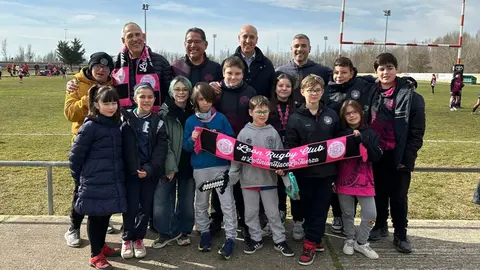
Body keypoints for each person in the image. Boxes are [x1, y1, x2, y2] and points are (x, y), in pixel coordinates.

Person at [367, 53, 425, 254]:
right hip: (377, 154)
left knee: (399, 197)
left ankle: (401, 233)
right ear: (376, 71)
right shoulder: (370, 93)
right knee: (378, 194)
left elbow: (417, 133)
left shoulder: (412, 97)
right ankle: (380, 225)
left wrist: (407, 158)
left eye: (389, 67)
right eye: (381, 68)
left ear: (396, 69)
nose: (385, 72)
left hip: (398, 155)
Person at [69, 85, 127, 269]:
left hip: (111, 180)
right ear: (96, 104)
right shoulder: (91, 126)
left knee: (105, 215)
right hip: (93, 181)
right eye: (106, 103)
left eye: (114, 102)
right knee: (95, 217)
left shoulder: (116, 124)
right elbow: (75, 156)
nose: (111, 107)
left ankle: (101, 246)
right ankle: (95, 255)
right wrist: (80, 178)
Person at [229, 95, 294, 257]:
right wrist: (232, 177)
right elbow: (236, 158)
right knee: (250, 213)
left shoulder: (273, 132)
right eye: (258, 111)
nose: (262, 115)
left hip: (269, 181)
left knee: (273, 212)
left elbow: (280, 158)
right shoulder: (244, 133)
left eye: (265, 111)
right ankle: (256, 238)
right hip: (248, 181)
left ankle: (279, 240)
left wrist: (284, 176)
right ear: (251, 112)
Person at [285, 74, 340, 266]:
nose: (314, 93)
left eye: (317, 90)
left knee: (321, 208)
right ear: (302, 92)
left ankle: (309, 244)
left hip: (327, 173)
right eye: (310, 90)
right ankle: (314, 237)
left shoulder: (332, 115)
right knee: (308, 208)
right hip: (304, 174)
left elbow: (339, 142)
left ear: (322, 92)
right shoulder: (295, 118)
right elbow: (290, 146)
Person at [63, 52, 116, 248]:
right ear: (91, 66)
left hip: (106, 143)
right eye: (97, 66)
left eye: (105, 66)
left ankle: (101, 223)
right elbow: (70, 114)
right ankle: (73, 227)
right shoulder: (76, 83)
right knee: (82, 188)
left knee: (105, 186)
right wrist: (89, 97)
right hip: (84, 143)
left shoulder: (113, 85)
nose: (101, 69)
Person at [183, 82, 238, 259]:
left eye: (208, 99)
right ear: (195, 101)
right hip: (201, 169)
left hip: (221, 168)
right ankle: (204, 232)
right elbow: (186, 147)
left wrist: (219, 137)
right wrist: (192, 140)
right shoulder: (191, 121)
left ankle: (230, 236)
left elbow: (231, 141)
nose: (205, 103)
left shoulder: (220, 118)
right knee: (201, 201)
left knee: (227, 203)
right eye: (201, 100)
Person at [66, 22, 173, 111]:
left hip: (154, 120)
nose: (135, 39)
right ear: (123, 41)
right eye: (130, 36)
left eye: (137, 35)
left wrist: (164, 110)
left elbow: (171, 91)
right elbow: (98, 81)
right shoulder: (114, 64)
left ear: (143, 37)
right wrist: (75, 81)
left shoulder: (160, 61)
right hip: (123, 121)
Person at [325, 56, 376, 234]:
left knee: (352, 177)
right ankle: (338, 215)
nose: (339, 76)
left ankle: (351, 220)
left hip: (354, 139)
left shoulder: (361, 85)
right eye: (336, 72)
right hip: (335, 140)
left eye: (344, 72)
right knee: (335, 178)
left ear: (352, 72)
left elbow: (376, 80)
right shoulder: (328, 90)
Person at [210, 55, 256, 242]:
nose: (233, 77)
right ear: (223, 73)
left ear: (243, 74)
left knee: (240, 185)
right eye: (229, 73)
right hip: (221, 145)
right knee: (219, 182)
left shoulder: (251, 91)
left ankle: (244, 222)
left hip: (243, 146)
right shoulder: (216, 91)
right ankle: (216, 218)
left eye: (237, 73)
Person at [120, 82, 168, 259]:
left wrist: (149, 169)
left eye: (150, 97)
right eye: (142, 96)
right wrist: (129, 168)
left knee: (145, 206)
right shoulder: (125, 119)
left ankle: (139, 238)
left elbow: (160, 150)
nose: (146, 100)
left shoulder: (158, 122)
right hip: (129, 172)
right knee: (130, 206)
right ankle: (127, 238)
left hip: (148, 173)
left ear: (154, 99)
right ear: (134, 98)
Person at [152, 76, 195, 248]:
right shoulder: (164, 113)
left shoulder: (194, 111)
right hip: (169, 164)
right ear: (171, 91)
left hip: (189, 164)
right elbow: (164, 143)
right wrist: (170, 166)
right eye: (177, 89)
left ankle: (184, 231)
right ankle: (168, 231)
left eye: (184, 89)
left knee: (186, 201)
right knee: (162, 200)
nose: (181, 93)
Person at [336, 100, 382, 260]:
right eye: (347, 113)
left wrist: (363, 140)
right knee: (347, 213)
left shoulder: (371, 133)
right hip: (344, 179)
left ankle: (361, 242)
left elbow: (376, 157)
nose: (351, 115)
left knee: (371, 214)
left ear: (360, 112)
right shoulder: (340, 135)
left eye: (354, 111)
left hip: (365, 180)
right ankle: (349, 239)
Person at [264, 72, 298, 240]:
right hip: (274, 153)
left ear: (292, 89)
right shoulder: (268, 106)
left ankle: (299, 221)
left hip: (294, 153)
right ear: (275, 88)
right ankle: (277, 219)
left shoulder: (298, 106)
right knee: (276, 189)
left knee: (294, 186)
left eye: (288, 86)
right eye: (281, 85)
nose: (284, 89)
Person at [214, 25, 275, 98]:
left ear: (257, 40)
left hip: (259, 108)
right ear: (239, 38)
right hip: (233, 108)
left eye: (252, 37)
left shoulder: (266, 64)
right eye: (245, 36)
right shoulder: (227, 63)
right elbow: (219, 86)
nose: (248, 41)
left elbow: (272, 90)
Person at [276, 34, 332, 106]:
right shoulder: (280, 72)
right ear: (291, 49)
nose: (299, 49)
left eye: (304, 46)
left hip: (313, 115)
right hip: (287, 115)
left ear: (310, 49)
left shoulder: (323, 71)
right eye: (296, 46)